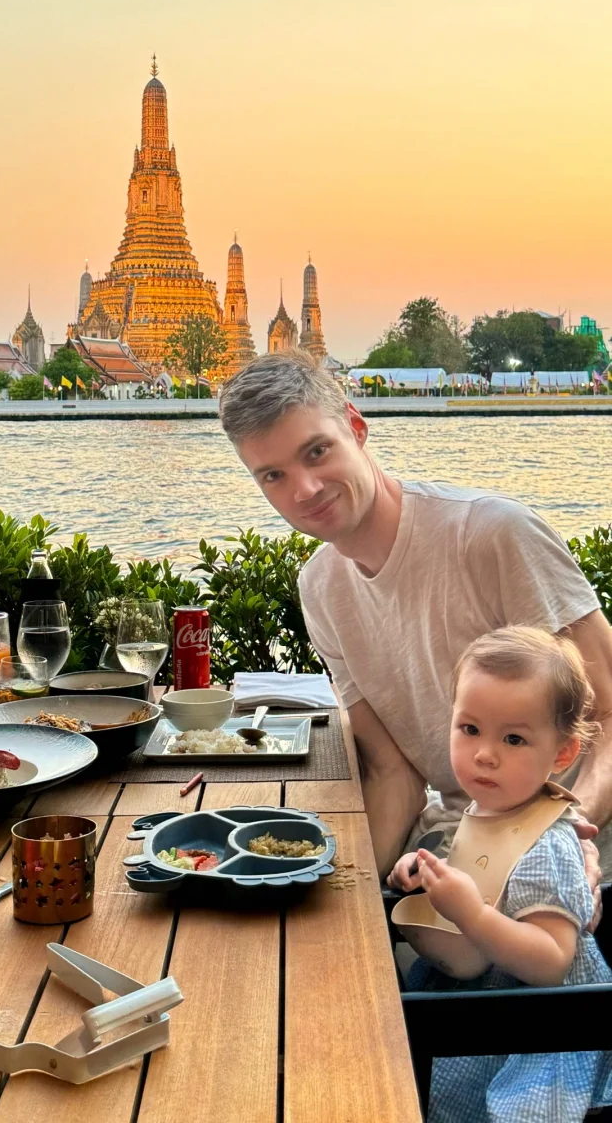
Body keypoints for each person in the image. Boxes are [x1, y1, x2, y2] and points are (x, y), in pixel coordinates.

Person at [218, 351, 612, 882]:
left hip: (586, 847)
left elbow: (609, 712)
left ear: (356, 428)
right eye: (273, 475)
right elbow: (392, 774)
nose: (304, 490)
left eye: (317, 451)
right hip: (466, 846)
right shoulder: (321, 588)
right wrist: (351, 895)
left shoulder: (492, 534)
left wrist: (568, 833)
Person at [388, 628, 612, 1123]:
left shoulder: (548, 845)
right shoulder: (491, 802)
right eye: (469, 729)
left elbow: (553, 961)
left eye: (513, 738)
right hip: (478, 996)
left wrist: (469, 912)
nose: (485, 753)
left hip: (537, 1030)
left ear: (561, 754)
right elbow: (479, 868)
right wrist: (420, 873)